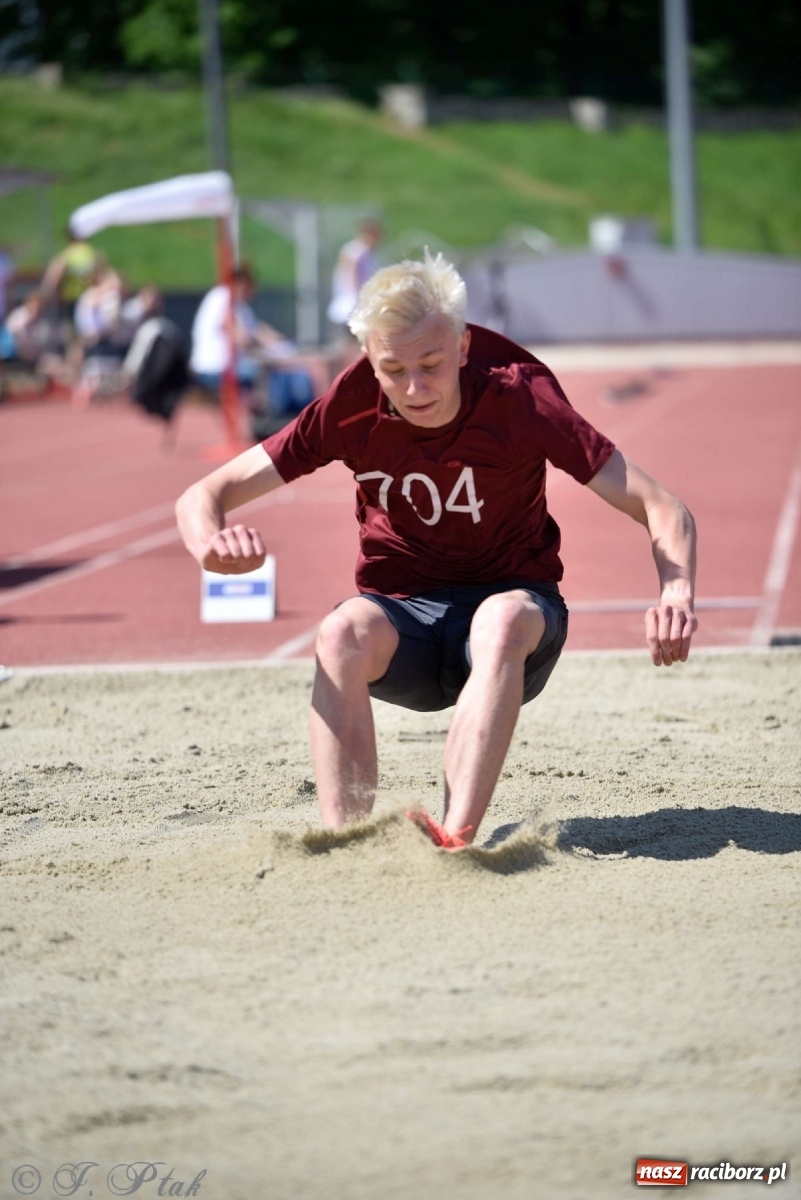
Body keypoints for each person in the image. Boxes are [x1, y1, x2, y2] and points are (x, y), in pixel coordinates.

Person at [176, 253, 697, 850]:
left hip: (514, 616)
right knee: (340, 633)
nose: (413, 388)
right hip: (407, 623)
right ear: (368, 356)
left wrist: (676, 591)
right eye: (392, 369)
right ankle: (345, 844)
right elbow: (204, 495)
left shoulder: (520, 398)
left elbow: (661, 506)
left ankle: (455, 843)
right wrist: (209, 545)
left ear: (463, 345)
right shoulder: (350, 405)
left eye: (430, 365)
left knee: (500, 620)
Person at [190, 263, 295, 396]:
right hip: (214, 369)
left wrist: (282, 342)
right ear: (242, 283)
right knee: (262, 376)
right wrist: (264, 347)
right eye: (251, 285)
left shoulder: (240, 306)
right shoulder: (222, 297)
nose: (253, 290)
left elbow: (259, 330)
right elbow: (240, 338)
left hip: (227, 369)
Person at [327, 218, 383, 329]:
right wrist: (359, 295)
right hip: (352, 298)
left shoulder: (363, 251)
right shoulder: (358, 250)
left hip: (353, 297)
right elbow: (353, 273)